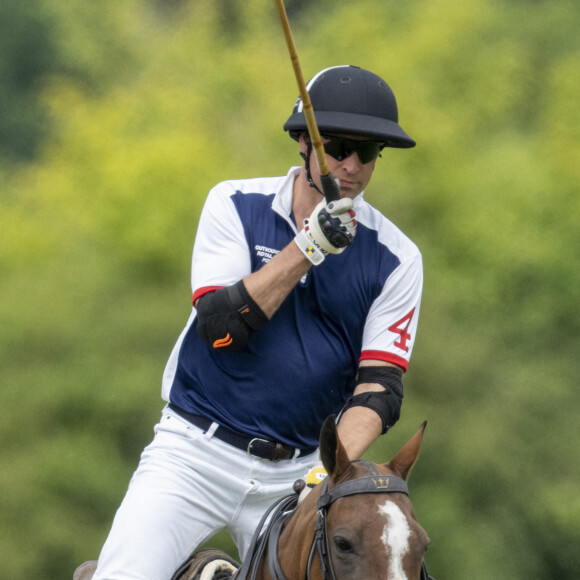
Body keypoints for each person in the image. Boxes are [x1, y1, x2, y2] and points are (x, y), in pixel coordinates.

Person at [90, 65, 423, 580]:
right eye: (338, 146)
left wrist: (329, 469)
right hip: (195, 452)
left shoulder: (397, 258)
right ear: (303, 143)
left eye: (369, 152)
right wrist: (306, 249)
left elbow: (379, 390)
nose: (352, 165)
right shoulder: (234, 205)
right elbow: (222, 327)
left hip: (297, 475)